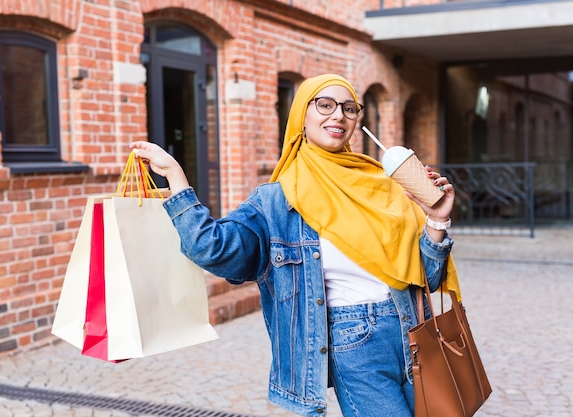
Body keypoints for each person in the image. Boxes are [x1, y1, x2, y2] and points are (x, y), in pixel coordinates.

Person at [130, 73, 460, 417]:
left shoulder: (382, 182)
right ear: (302, 114)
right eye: (325, 105)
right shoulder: (276, 202)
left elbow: (428, 278)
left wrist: (436, 219)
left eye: (349, 108)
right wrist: (176, 177)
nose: (339, 116)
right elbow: (211, 248)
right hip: (355, 345)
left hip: (413, 331)